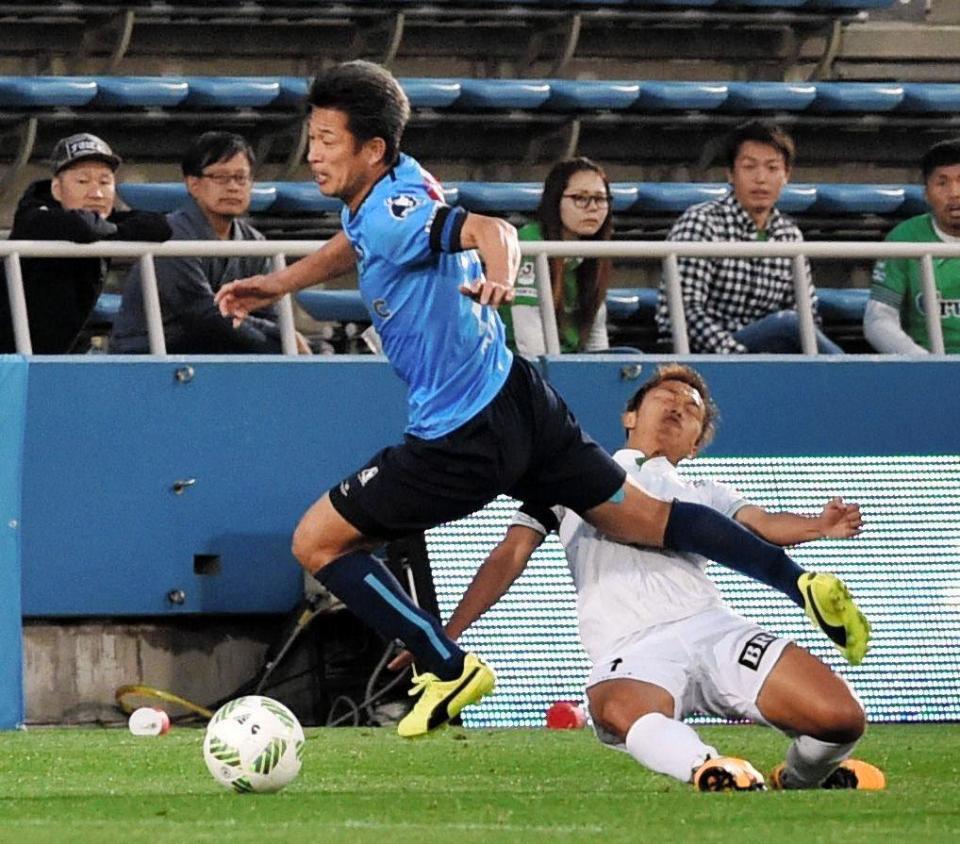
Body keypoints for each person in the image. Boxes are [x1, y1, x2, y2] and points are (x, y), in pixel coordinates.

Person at [215, 61, 869, 738]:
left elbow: (487, 230)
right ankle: (798, 583)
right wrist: (277, 285)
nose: (312, 152)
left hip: (461, 434)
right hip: (523, 398)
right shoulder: (397, 183)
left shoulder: (395, 211)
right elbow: (358, 240)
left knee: (317, 540)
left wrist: (501, 274)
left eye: (326, 139)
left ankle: (444, 666)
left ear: (371, 149)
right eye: (312, 136)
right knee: (642, 516)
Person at [422, 364, 883, 792]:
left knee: (842, 719)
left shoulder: (706, 493)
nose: (678, 406)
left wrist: (818, 526)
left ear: (696, 444)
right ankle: (708, 767)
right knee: (618, 708)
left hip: (713, 627)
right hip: (630, 646)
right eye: (666, 395)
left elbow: (763, 526)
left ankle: (798, 779)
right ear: (629, 416)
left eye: (692, 410)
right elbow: (510, 554)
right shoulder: (570, 476)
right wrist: (447, 635)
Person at [110, 131, 309, 354]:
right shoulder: (170, 236)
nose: (233, 187)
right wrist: (282, 340)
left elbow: (269, 312)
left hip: (219, 348)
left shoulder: (256, 242)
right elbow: (205, 315)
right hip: (150, 355)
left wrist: (285, 338)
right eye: (220, 178)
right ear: (193, 184)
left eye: (241, 178)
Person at [655, 120, 842, 355]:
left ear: (786, 175)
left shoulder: (789, 235)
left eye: (772, 168)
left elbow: (807, 312)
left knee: (796, 323)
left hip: (764, 353)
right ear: (730, 173)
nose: (761, 178)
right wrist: (737, 356)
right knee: (788, 323)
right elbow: (684, 311)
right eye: (749, 167)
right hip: (705, 352)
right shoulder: (701, 222)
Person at [0, 132, 171, 353]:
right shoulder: (36, 216)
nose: (97, 193)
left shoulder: (105, 221)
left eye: (105, 181)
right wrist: (114, 231)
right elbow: (82, 227)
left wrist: (111, 230)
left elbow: (160, 226)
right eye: (82, 181)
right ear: (57, 190)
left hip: (54, 353)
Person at [503, 157, 611, 356]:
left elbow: (596, 336)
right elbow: (529, 342)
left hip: (572, 364)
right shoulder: (530, 244)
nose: (593, 207)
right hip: (521, 364)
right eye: (580, 197)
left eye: (600, 198)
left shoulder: (595, 250)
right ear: (555, 200)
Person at [865, 137, 960, 354]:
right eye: (942, 183)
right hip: (928, 368)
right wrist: (924, 363)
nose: (954, 193)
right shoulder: (904, 237)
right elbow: (878, 320)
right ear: (926, 193)